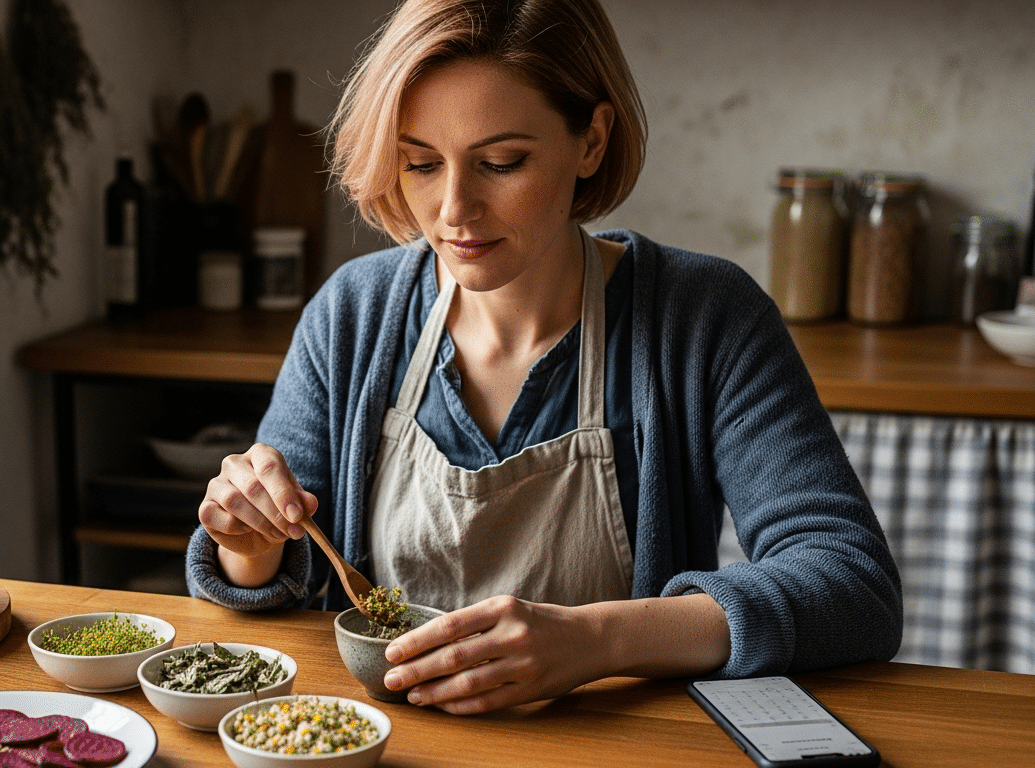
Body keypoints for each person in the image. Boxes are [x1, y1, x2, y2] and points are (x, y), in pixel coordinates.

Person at [185, 0, 902, 715]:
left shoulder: (704, 317)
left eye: (501, 162)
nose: (454, 209)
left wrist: (597, 641)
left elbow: (852, 584)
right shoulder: (354, 314)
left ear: (592, 141)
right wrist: (248, 542)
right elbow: (274, 578)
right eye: (421, 163)